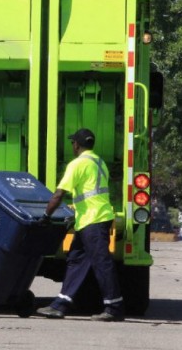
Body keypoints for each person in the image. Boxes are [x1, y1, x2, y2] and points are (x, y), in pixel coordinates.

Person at [36, 128, 125, 322]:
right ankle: (61, 304)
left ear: (76, 144)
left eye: (72, 143)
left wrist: (45, 215)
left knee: (102, 263)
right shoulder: (99, 163)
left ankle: (114, 307)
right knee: (76, 260)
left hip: (93, 220)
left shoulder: (78, 164)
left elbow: (59, 194)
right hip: (92, 218)